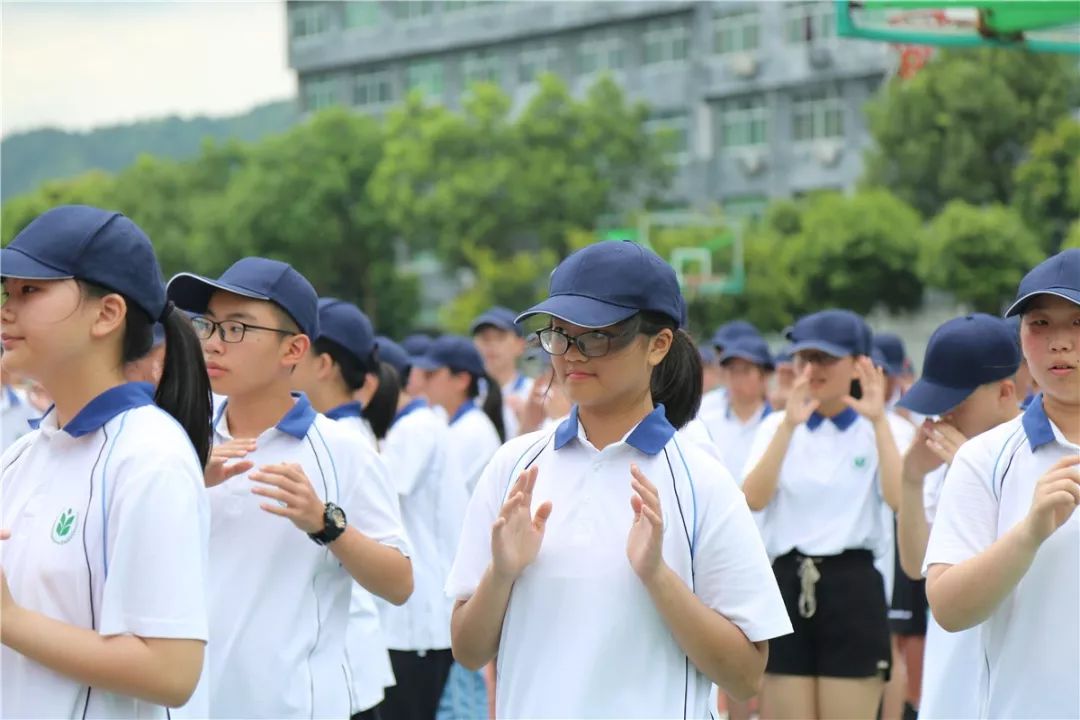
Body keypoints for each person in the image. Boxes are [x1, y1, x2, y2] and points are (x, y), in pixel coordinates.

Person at [447, 241, 792, 718]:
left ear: (658, 344)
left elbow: (745, 675)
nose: (570, 355)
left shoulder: (700, 481)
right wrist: (501, 573)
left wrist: (657, 577)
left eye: (596, 337)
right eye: (559, 335)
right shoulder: (514, 466)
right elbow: (467, 650)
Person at [167, 257, 413, 718]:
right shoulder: (178, 439)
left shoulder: (344, 451)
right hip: (187, 703)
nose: (214, 344)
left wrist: (327, 524)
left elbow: (399, 583)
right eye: (208, 326)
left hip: (295, 706)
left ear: (294, 349)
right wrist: (187, 482)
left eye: (237, 329)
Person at [0, 205, 213, 718]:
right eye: (7, 292)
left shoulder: (149, 457)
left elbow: (171, 672)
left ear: (108, 314)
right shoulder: (26, 452)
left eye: (32, 291)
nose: (7, 309)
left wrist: (5, 618)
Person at [923, 249, 1080, 719]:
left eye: (1078, 322)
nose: (1059, 343)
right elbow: (949, 608)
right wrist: (1028, 534)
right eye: (1040, 324)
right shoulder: (985, 458)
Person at [742, 309, 903, 720]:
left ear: (859, 364)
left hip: (853, 586)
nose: (812, 369)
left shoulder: (884, 428)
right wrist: (789, 425)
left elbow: (899, 498)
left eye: (825, 359)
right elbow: (753, 499)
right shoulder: (776, 426)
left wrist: (879, 419)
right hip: (786, 582)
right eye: (804, 358)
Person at [891, 313, 1021, 720]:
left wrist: (972, 470)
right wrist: (911, 480)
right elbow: (916, 566)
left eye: (956, 403)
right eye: (936, 404)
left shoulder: (1034, 451)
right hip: (953, 665)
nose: (942, 417)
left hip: (1018, 669)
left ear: (1005, 393)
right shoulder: (947, 461)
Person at [290, 298, 402, 720]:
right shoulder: (341, 433)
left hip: (340, 664)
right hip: (335, 662)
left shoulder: (342, 442)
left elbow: (394, 572)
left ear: (324, 364)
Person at [371, 336, 463, 720]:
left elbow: (381, 489)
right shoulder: (417, 426)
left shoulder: (416, 429)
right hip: (414, 618)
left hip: (414, 623)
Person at [471, 306, 532, 439]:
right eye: (484, 338)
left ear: (520, 345)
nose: (491, 345)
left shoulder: (534, 395)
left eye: (500, 337)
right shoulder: (466, 395)